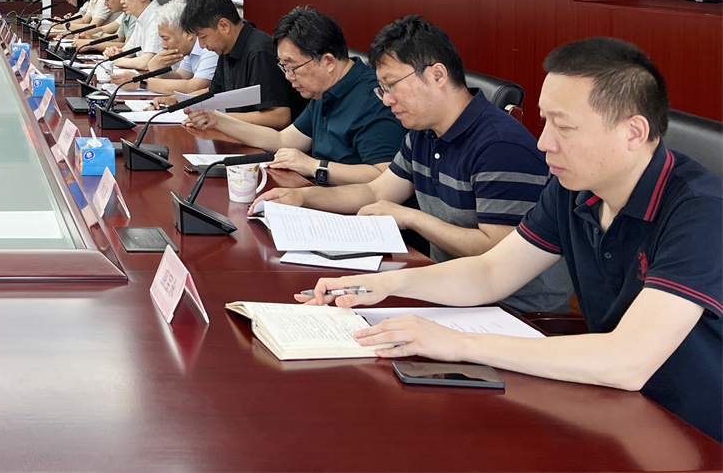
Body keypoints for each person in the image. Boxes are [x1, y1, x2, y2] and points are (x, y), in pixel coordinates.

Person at [304, 38, 721, 442]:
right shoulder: (574, 187)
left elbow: (629, 361)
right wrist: (384, 284)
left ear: (633, 132)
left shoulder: (701, 211)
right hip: (616, 407)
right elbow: (492, 272)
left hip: (695, 430)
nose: (544, 142)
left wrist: (458, 344)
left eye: (564, 126)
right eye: (545, 120)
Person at [255, 15, 572, 313]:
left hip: (515, 310)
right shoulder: (424, 131)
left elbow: (495, 253)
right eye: (382, 89)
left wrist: (412, 217)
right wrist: (302, 197)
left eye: (392, 85)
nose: (387, 100)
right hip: (447, 286)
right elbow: (376, 192)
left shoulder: (500, 145)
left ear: (437, 75)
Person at [185, 6, 401, 184]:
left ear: (328, 61)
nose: (288, 77)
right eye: (284, 67)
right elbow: (283, 140)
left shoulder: (374, 97)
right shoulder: (323, 90)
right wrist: (217, 119)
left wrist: (314, 166)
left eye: (293, 67)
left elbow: (383, 175)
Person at [177, 0, 295, 130]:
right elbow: (213, 93)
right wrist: (175, 101)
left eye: (203, 37)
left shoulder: (260, 52)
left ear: (224, 26)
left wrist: (218, 119)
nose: (202, 45)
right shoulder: (226, 48)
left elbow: (279, 117)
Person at [112, 0, 215, 95]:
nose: (163, 46)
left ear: (188, 34)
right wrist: (158, 70)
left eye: (166, 39)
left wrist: (141, 82)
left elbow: (194, 87)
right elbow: (180, 77)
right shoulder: (188, 49)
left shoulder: (209, 47)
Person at [104, 0, 164, 70]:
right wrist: (115, 53)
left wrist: (117, 60)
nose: (121, 1)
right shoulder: (142, 18)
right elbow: (128, 51)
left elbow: (147, 62)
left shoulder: (157, 18)